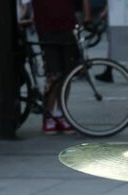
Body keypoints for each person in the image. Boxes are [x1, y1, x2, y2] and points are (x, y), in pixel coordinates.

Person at [31, 0, 90, 134]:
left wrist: (85, 18)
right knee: (53, 74)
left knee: (67, 74)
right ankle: (50, 114)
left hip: (66, 26)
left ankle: (60, 113)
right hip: (47, 27)